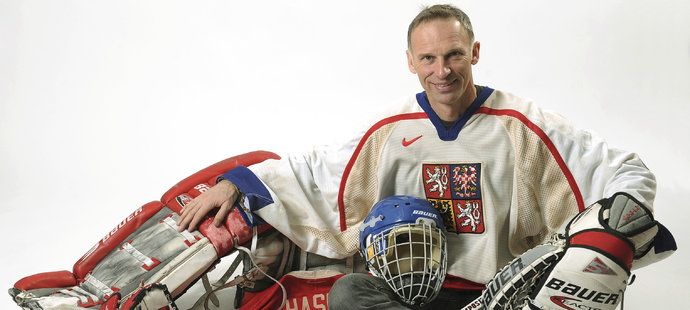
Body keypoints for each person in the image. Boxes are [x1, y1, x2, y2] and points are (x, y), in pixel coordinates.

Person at [176, 4, 675, 309]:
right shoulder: (390, 129)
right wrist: (237, 182)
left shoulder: (525, 124)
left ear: (475, 52)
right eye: (429, 59)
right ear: (411, 62)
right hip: (412, 293)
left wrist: (621, 218)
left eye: (454, 54)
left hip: (495, 293)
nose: (443, 71)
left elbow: (623, 169)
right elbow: (317, 168)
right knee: (349, 294)